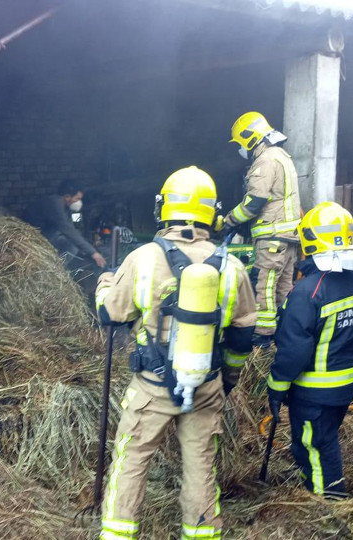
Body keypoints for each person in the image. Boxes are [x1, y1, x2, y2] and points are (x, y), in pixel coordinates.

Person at [95, 166, 256, 540]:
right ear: (211, 212)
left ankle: (118, 534)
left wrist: (105, 284)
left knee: (132, 459)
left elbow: (111, 314)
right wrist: (226, 380)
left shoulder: (143, 257)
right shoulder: (231, 266)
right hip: (206, 384)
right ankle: (200, 533)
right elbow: (243, 335)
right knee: (200, 464)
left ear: (163, 208)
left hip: (151, 387)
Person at [266, 202, 353, 498]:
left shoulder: (308, 292)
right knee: (325, 438)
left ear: (310, 240)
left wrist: (276, 388)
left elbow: (293, 352)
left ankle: (328, 500)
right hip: (347, 383)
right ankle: (323, 483)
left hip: (315, 391)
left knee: (313, 446)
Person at [223, 112, 302, 348]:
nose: (240, 150)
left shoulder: (265, 160)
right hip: (288, 237)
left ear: (249, 138)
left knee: (264, 286)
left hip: (272, 237)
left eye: (239, 143)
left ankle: (262, 340)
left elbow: (255, 201)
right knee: (284, 288)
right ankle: (287, 333)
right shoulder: (282, 156)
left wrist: (229, 221)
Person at [24, 179, 106, 268]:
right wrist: (93, 252)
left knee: (73, 242)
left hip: (47, 233)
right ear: (67, 197)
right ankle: (56, 270)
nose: (79, 202)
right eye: (77, 199)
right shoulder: (54, 205)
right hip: (34, 237)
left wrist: (76, 212)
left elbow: (76, 227)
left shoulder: (65, 205)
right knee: (71, 247)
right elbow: (68, 230)